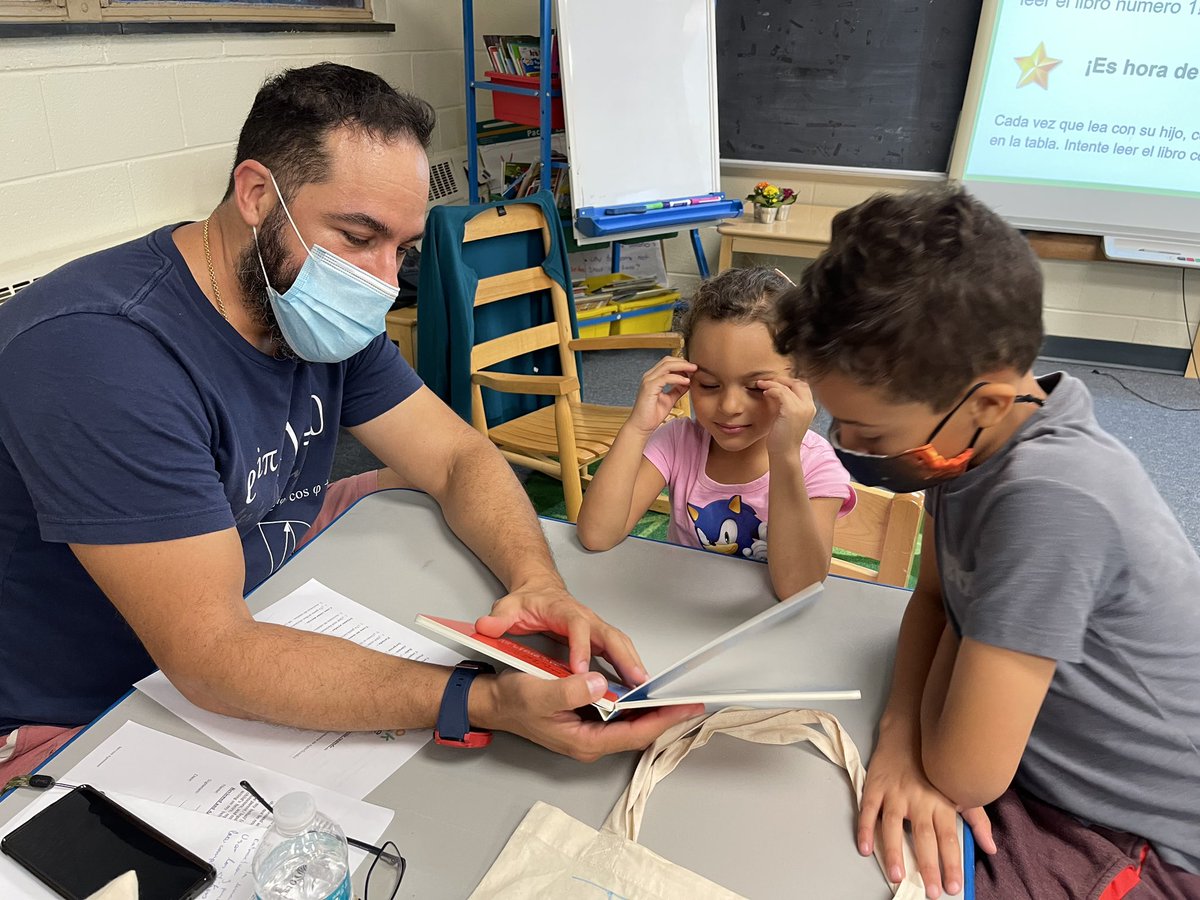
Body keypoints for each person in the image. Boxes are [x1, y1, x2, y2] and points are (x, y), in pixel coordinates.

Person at [0, 63, 701, 782]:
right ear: (254, 194)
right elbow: (211, 657)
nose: (383, 280)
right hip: (86, 707)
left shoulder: (308, 300)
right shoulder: (99, 354)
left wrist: (537, 582)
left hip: (249, 600)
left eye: (403, 246)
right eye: (359, 235)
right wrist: (481, 699)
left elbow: (458, 457)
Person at [773, 187, 1200, 899]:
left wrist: (922, 756)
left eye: (867, 433)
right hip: (1032, 755)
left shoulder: (1053, 497)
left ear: (988, 403)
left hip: (1145, 835)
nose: (839, 445)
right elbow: (937, 597)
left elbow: (965, 774)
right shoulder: (968, 440)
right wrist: (902, 734)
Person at [577, 267, 855, 600]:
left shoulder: (817, 464)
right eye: (709, 384)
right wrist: (637, 428)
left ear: (803, 378)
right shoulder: (678, 441)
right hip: (680, 613)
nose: (730, 406)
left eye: (755, 387)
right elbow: (597, 534)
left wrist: (784, 455)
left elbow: (799, 588)